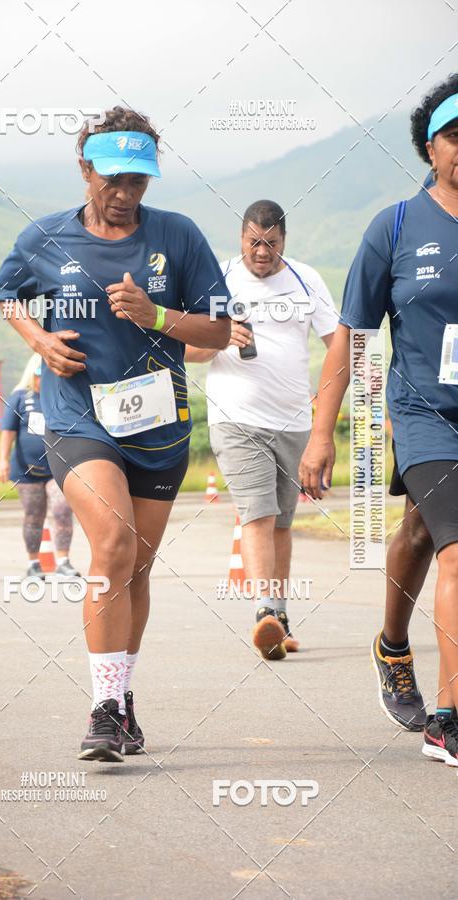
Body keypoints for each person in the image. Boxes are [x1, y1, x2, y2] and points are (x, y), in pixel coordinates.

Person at [0, 106, 230, 761]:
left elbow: (219, 330)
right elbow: (7, 293)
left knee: (134, 567)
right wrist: (39, 340)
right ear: (84, 169)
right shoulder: (46, 237)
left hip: (157, 426)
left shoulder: (177, 237)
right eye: (112, 180)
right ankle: (102, 710)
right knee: (115, 544)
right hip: (77, 418)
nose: (125, 194)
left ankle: (122, 700)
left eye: (139, 181)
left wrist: (158, 315)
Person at [300, 74, 458, 760]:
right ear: (431, 148)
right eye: (457, 137)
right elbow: (351, 335)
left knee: (423, 533)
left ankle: (392, 643)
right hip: (426, 416)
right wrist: (320, 435)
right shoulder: (394, 227)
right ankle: (447, 717)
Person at [186, 200, 338, 659]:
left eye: (271, 243)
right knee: (257, 513)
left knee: (283, 524)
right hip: (236, 417)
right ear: (241, 238)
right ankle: (263, 612)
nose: (262, 251)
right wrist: (219, 338)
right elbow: (186, 347)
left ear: (284, 241)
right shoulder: (220, 280)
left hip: (294, 420)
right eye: (254, 241)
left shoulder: (307, 280)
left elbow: (339, 345)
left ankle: (280, 617)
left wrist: (324, 426)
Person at [0, 354, 79, 579]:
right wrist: (3, 460)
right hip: (27, 470)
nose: (43, 380)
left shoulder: (62, 397)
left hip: (58, 468)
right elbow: (7, 432)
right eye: (40, 375)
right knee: (34, 515)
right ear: (31, 375)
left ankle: (63, 561)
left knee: (62, 509)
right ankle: (33, 563)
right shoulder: (19, 398)